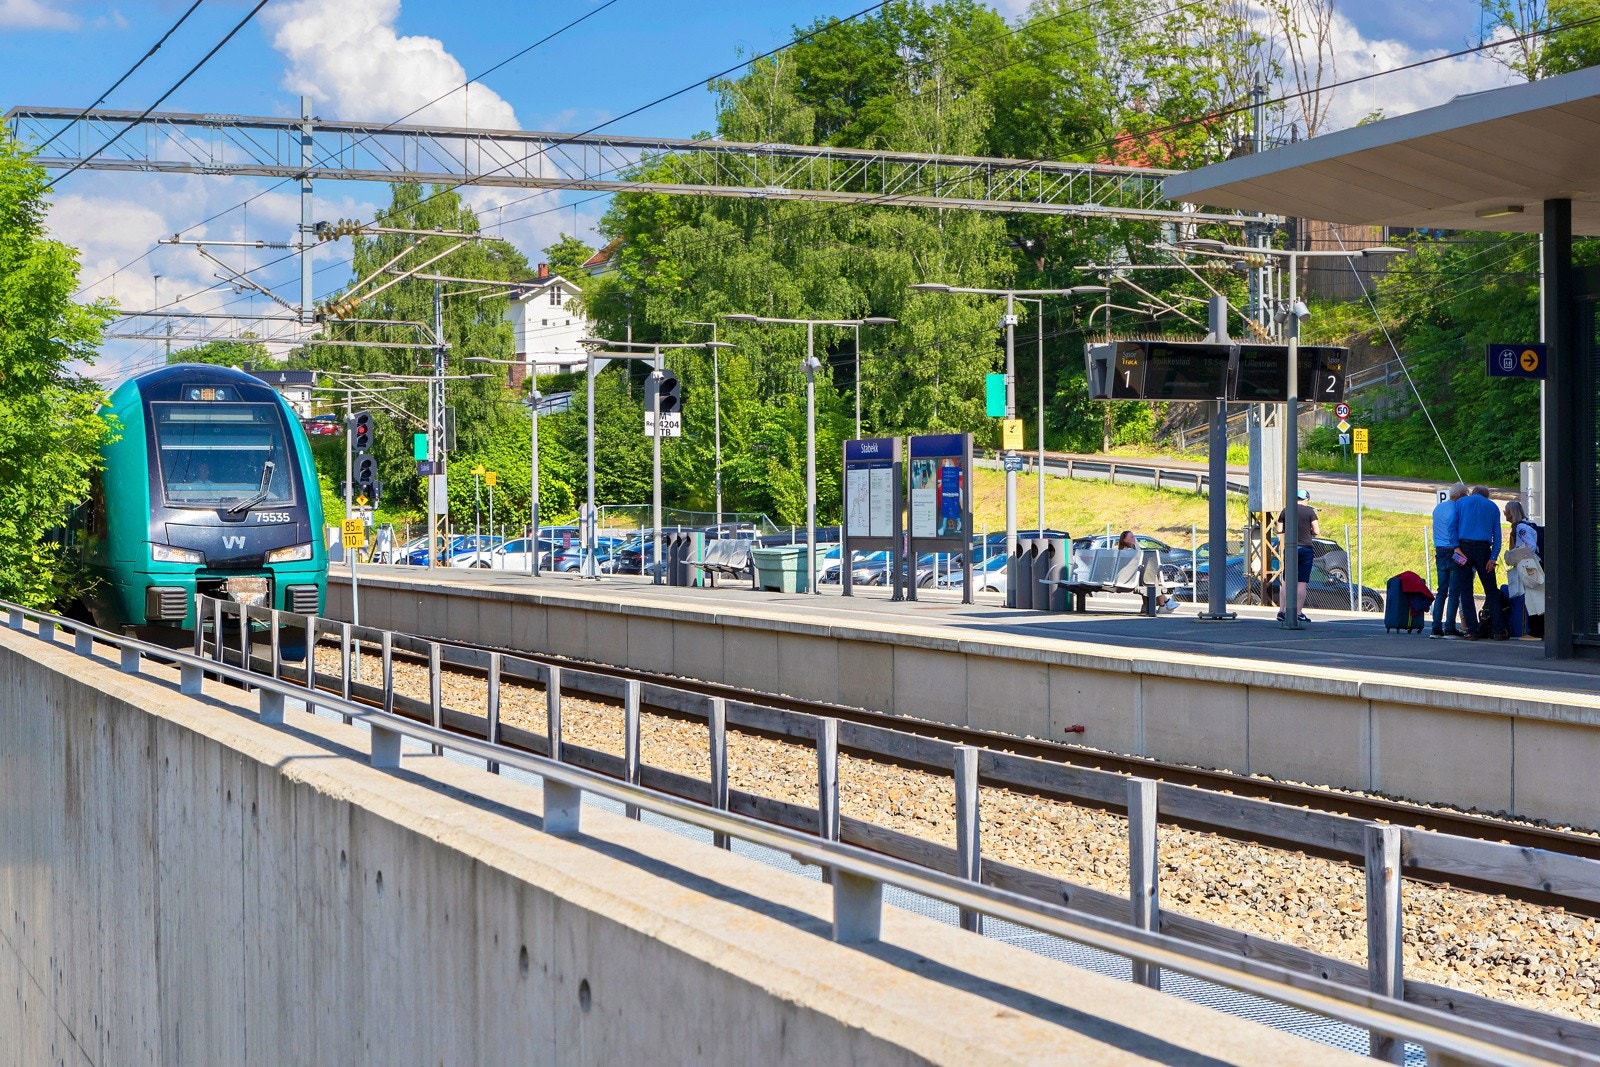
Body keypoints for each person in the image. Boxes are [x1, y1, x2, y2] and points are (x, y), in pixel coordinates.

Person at [1455, 486, 1505, 640]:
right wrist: (1493, 557)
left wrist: (1455, 547)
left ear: (1472, 493)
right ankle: (1498, 630)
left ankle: (1472, 630)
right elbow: (1497, 535)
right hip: (1484, 550)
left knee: (1466, 589)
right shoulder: (1492, 507)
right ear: (1487, 496)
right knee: (1491, 590)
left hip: (1463, 548)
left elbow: (1452, 526)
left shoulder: (1461, 503)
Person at [1276, 488, 1320, 624]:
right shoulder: (1310, 512)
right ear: (1307, 499)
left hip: (1290, 548)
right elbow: (1317, 531)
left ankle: (1282, 611)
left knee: (1287, 581)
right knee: (1301, 582)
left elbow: (1279, 529)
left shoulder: (1286, 510)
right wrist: (1308, 531)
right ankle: (1298, 612)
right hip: (1306, 548)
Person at [1430, 482, 1467, 638]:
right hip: (1454, 550)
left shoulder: (1438, 508)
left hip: (1440, 550)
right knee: (1454, 591)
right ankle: (1450, 626)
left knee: (1441, 591)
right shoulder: (1457, 509)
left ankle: (1436, 627)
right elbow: (1456, 529)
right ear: (1461, 495)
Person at [1503, 499, 1543, 639]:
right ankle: (1536, 629)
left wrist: (1516, 556)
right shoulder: (1527, 525)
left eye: (1506, 511)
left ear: (1511, 512)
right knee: (1534, 597)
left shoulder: (1520, 528)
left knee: (1532, 598)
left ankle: (1535, 631)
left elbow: (1530, 546)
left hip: (1529, 565)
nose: (1504, 514)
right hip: (1533, 563)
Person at [1118, 530, 1178, 614]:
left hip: (1127, 578)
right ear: (1125, 540)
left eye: (1133, 536)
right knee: (1152, 580)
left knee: (1149, 579)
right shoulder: (1130, 552)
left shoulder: (1121, 552)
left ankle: (1150, 605)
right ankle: (1163, 604)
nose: (1134, 539)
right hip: (1129, 579)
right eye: (1131, 537)